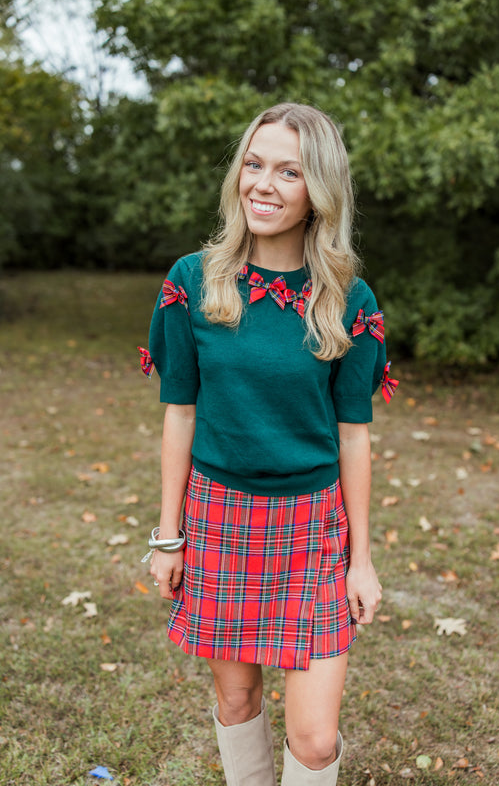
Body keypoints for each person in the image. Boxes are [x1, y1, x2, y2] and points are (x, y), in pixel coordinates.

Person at [139, 102, 398, 786]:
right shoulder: (192, 284)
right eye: (253, 164)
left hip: (312, 527)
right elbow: (179, 416)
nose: (263, 184)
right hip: (221, 518)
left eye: (288, 172)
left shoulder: (347, 299)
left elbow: (353, 433)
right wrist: (169, 536)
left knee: (313, 741)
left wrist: (360, 560)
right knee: (237, 697)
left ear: (319, 192)